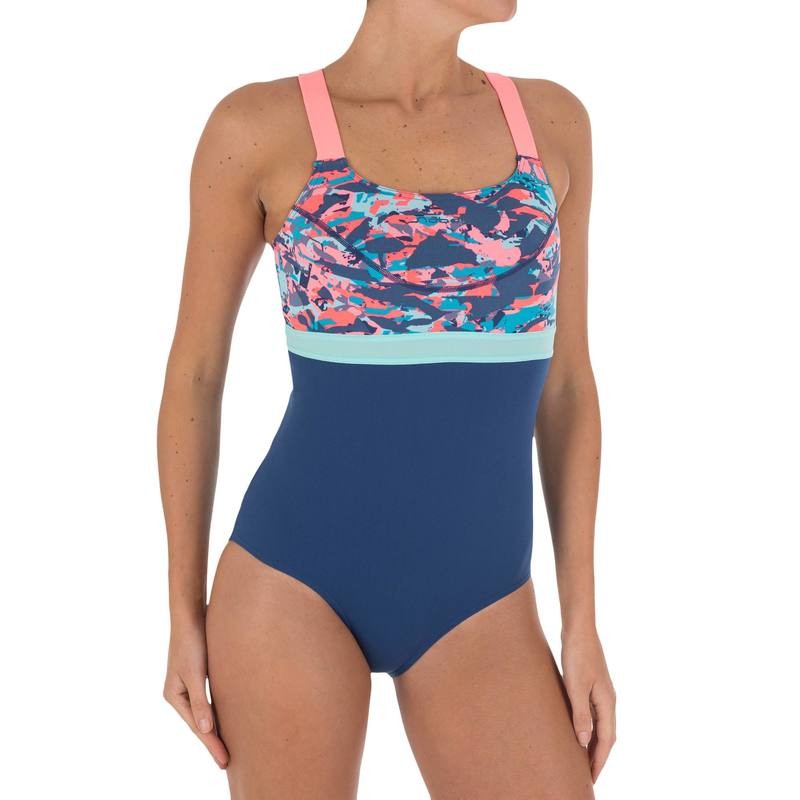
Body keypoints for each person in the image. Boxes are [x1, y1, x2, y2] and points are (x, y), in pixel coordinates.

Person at [157, 1, 616, 796]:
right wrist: (181, 612)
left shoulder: (551, 124)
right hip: (290, 582)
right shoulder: (259, 128)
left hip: (484, 601)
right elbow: (196, 372)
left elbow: (568, 385)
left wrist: (582, 624)